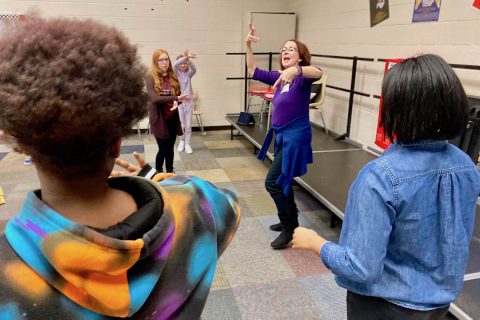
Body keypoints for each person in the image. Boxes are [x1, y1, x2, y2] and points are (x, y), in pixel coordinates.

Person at [0, 16, 240, 319]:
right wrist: (153, 180)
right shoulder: (198, 204)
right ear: (117, 143)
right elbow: (230, 203)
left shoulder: (8, 265)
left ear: (20, 144)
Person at [292, 54, 480, 319]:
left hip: (385, 307)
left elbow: (360, 267)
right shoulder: (466, 166)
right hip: (438, 306)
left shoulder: (381, 177)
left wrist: (316, 243)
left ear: (397, 111)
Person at [245, 23, 322, 249]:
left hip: (295, 138)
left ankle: (290, 228)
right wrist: (247, 45)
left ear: (300, 57)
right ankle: (290, 218)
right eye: (283, 49)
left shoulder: (301, 77)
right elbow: (252, 71)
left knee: (273, 183)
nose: (285, 51)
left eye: (291, 49)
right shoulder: (280, 78)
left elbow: (318, 72)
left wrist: (296, 70)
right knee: (282, 180)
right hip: (281, 137)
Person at [147, 49, 188, 173]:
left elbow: (179, 95)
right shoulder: (150, 77)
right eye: (161, 60)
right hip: (159, 120)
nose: (165, 62)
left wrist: (177, 101)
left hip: (172, 118)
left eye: (166, 59)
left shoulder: (173, 76)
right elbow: (154, 99)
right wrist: (175, 98)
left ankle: (170, 172)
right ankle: (158, 173)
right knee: (163, 149)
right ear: (156, 62)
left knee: (170, 148)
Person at [173, 50, 197, 154]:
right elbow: (175, 64)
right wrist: (184, 58)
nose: (182, 65)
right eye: (181, 63)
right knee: (181, 124)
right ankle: (182, 141)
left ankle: (187, 143)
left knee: (188, 124)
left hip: (189, 102)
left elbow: (194, 69)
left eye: (184, 63)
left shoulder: (189, 74)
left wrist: (189, 60)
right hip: (179, 102)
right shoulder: (176, 73)